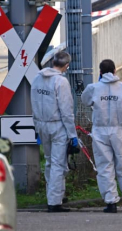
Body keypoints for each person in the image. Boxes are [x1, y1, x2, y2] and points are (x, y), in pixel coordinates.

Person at [81, 59, 122, 213]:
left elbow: (85, 100)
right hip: (121, 131)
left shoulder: (93, 88)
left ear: (100, 72)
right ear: (115, 71)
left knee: (105, 167)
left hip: (100, 132)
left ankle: (111, 202)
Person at [30, 51, 78, 213]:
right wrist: (73, 135)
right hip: (57, 126)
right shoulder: (61, 82)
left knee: (50, 162)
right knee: (59, 164)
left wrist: (36, 128)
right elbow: (66, 110)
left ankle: (56, 194)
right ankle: (55, 202)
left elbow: (34, 103)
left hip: (42, 125)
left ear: (52, 62)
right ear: (66, 66)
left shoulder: (37, 78)